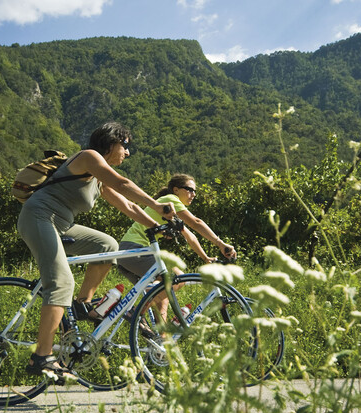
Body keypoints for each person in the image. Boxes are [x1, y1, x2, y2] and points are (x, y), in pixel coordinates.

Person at [17, 122, 176, 380]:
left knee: (107, 246)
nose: (127, 152)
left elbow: (129, 207)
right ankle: (41, 357)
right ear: (111, 142)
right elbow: (123, 183)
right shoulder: (89, 158)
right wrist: (157, 204)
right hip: (39, 217)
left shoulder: (97, 179)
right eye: (125, 146)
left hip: (62, 225)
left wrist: (159, 226)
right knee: (61, 283)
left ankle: (82, 304)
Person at [117, 173, 236, 321]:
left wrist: (205, 258)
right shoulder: (170, 200)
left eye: (195, 191)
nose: (193, 194)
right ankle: (134, 312)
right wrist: (221, 244)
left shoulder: (172, 212)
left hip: (130, 254)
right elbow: (196, 222)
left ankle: (162, 340)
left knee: (163, 298)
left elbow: (190, 236)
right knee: (178, 278)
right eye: (189, 189)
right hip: (134, 249)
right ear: (176, 190)